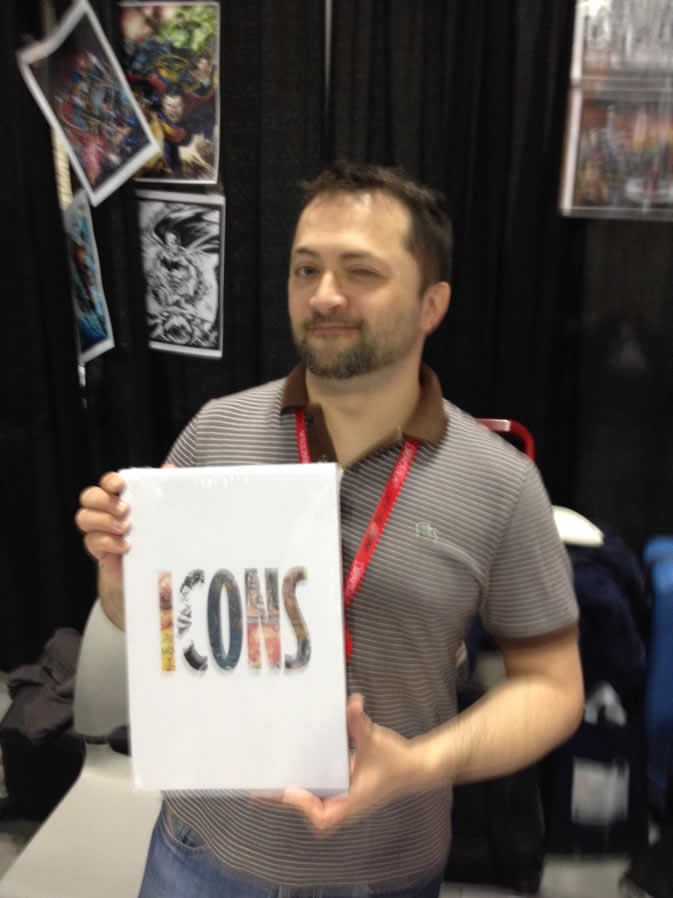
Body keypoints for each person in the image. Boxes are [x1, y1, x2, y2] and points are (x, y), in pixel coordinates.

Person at [75, 161, 583, 898]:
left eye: (361, 271)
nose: (323, 295)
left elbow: (553, 687)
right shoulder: (216, 433)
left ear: (432, 304)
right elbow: (142, 618)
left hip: (384, 870)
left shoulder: (498, 484)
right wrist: (121, 577)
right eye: (305, 269)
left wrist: (421, 764)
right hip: (201, 852)